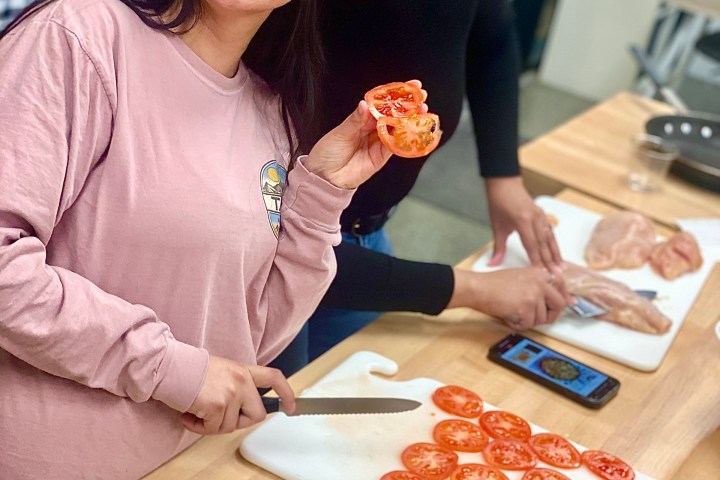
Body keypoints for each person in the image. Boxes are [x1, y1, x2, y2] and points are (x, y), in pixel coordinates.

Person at [0, 0, 401, 478]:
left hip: (184, 461)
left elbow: (248, 339)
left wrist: (321, 195)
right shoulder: (78, 34)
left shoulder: (272, 112)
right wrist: (172, 369)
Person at [270, 0, 573, 376]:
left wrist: (503, 177)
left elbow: (491, 32)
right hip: (283, 264)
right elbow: (273, 248)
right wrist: (472, 289)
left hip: (367, 241)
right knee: (274, 412)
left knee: (340, 387)